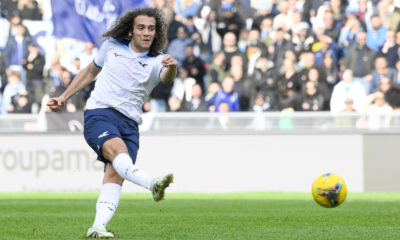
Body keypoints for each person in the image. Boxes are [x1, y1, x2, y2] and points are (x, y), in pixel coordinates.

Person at [47, 7, 177, 238]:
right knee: (118, 153)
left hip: (130, 123)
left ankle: (97, 227)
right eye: (141, 28)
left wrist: (172, 67)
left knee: (115, 174)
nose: (147, 32)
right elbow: (89, 72)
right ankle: (152, 183)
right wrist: (64, 97)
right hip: (100, 113)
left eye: (151, 29)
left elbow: (167, 79)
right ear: (130, 31)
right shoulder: (112, 47)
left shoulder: (158, 61)